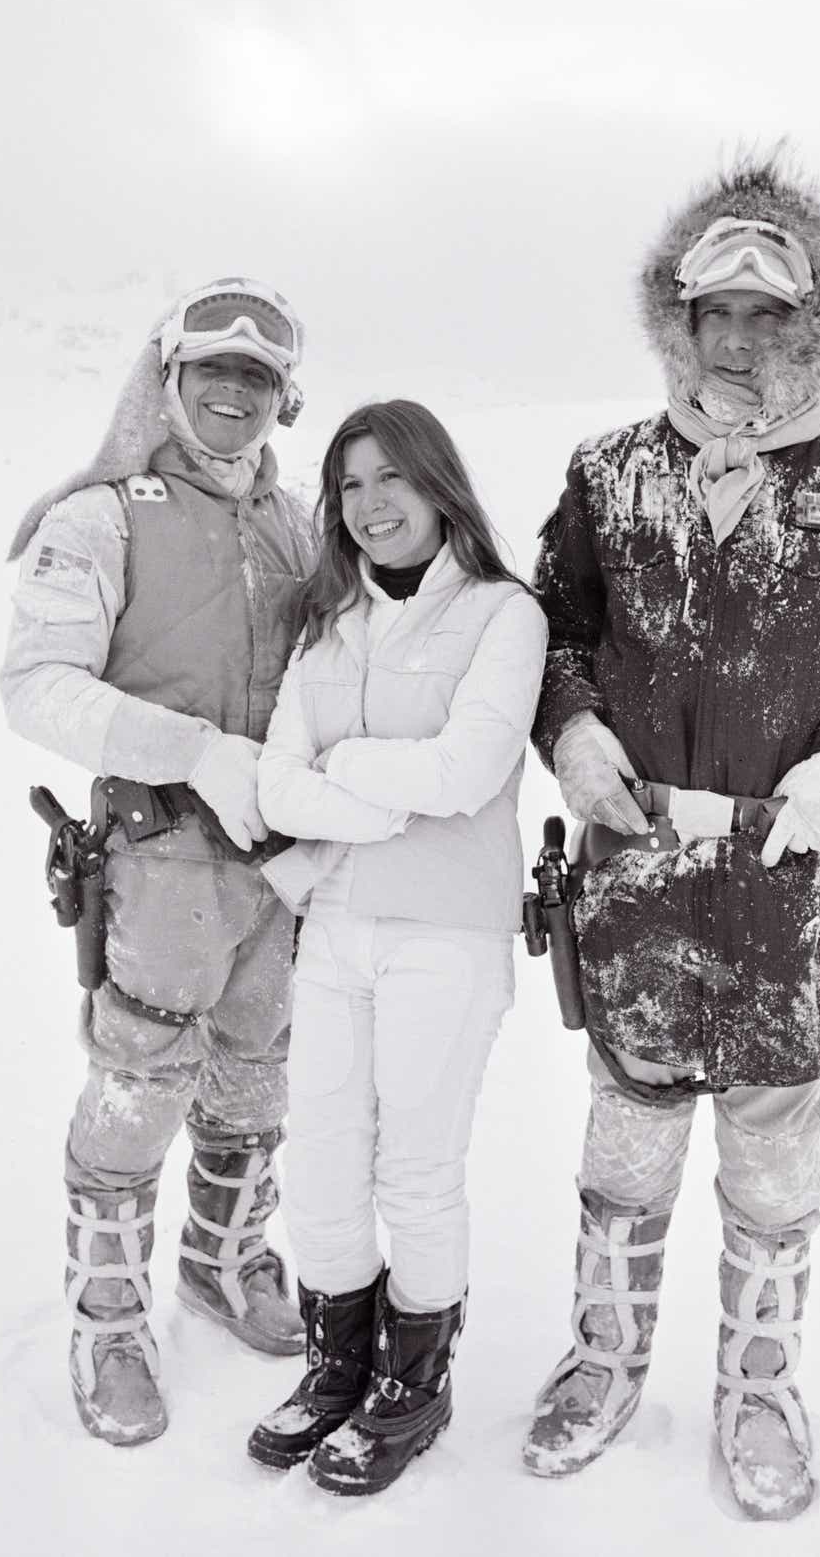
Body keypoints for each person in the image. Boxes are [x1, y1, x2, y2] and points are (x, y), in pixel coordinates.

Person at [522, 155, 820, 1518]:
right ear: (678, 321)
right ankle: (604, 1359)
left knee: (775, 1155)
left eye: (766, 314)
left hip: (790, 881)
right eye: (712, 313)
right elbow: (552, 634)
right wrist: (574, 732)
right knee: (628, 1132)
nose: (736, 339)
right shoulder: (608, 472)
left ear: (811, 321)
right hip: (638, 873)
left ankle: (760, 1383)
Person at [0, 279, 315, 1447]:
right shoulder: (103, 518)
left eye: (259, 376)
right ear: (169, 377)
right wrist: (193, 751)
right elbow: (37, 685)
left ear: (285, 397)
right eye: (213, 369)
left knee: (258, 1072)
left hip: (282, 864)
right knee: (140, 1085)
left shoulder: (299, 522)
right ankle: (110, 1315)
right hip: (157, 858)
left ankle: (223, 1259)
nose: (235, 392)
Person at [243, 399, 547, 1496]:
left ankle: (415, 1382)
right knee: (322, 1154)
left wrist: (343, 774)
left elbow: (468, 773)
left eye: (391, 478)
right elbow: (276, 788)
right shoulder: (329, 624)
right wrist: (378, 791)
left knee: (415, 1168)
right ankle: (338, 1366)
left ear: (437, 483)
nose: (371, 505)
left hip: (446, 933)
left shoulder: (505, 615)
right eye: (351, 486)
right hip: (334, 924)